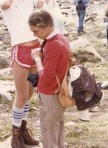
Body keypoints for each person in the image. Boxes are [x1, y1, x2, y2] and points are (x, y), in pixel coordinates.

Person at [0, 0, 61, 147]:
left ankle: (24, 131)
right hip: (20, 50)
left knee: (30, 94)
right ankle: (15, 135)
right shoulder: (4, 0)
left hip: (35, 49)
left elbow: (51, 2)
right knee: (21, 94)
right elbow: (5, 4)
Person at [30, 9, 70, 148]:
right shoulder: (60, 37)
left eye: (36, 31)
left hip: (50, 94)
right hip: (58, 92)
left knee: (48, 131)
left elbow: (46, 77)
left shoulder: (53, 45)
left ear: (45, 26)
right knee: (57, 128)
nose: (34, 35)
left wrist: (37, 59)